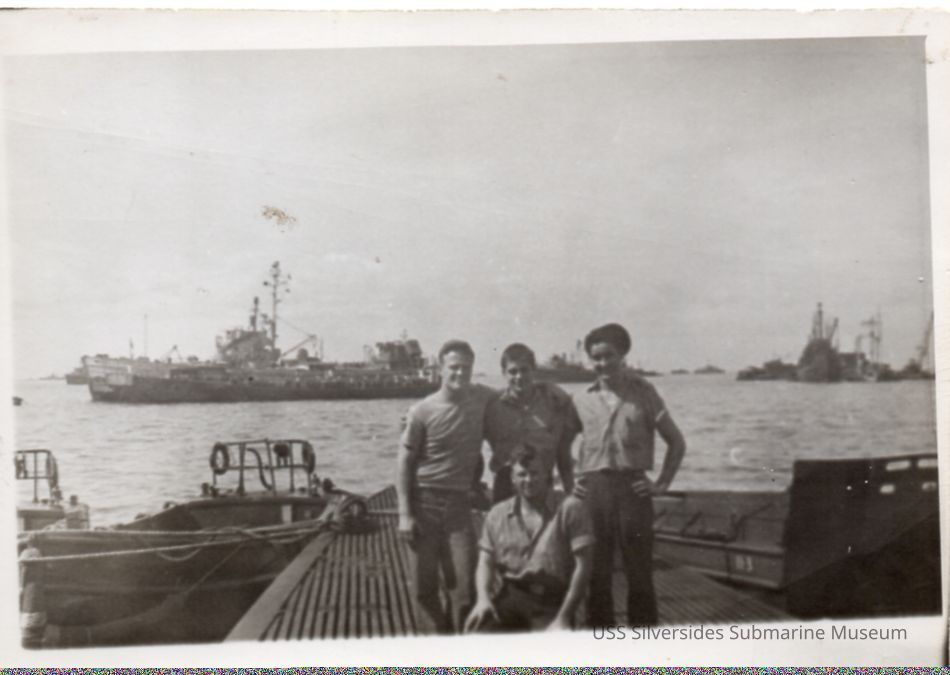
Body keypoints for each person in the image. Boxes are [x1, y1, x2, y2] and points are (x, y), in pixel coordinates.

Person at [570, 322, 686, 627]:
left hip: (632, 492)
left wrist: (661, 484)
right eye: (596, 357)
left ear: (622, 355)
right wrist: (570, 482)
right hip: (594, 493)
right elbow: (560, 443)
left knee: (639, 574)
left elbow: (676, 442)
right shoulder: (582, 399)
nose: (602, 363)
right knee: (596, 575)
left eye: (609, 355)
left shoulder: (644, 393)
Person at [396, 339, 496, 633]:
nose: (460, 373)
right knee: (424, 588)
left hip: (458, 506)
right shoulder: (421, 410)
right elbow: (404, 462)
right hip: (423, 502)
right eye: (453, 367)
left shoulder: (482, 398)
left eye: (466, 367)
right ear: (440, 369)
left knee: (465, 587)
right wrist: (405, 514)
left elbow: (518, 394)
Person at [464, 443, 593, 633]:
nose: (529, 480)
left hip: (552, 601)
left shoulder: (570, 508)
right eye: (522, 474)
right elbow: (485, 561)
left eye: (534, 473)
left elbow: (584, 567)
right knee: (478, 634)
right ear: (512, 478)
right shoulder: (497, 514)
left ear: (547, 474)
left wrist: (564, 618)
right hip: (511, 597)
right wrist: (483, 599)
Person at [485, 343, 576, 503]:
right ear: (503, 373)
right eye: (513, 371)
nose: (519, 377)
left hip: (541, 482)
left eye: (524, 370)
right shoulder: (492, 406)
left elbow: (563, 453)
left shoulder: (553, 402)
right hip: (505, 485)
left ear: (534, 370)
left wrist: (570, 491)